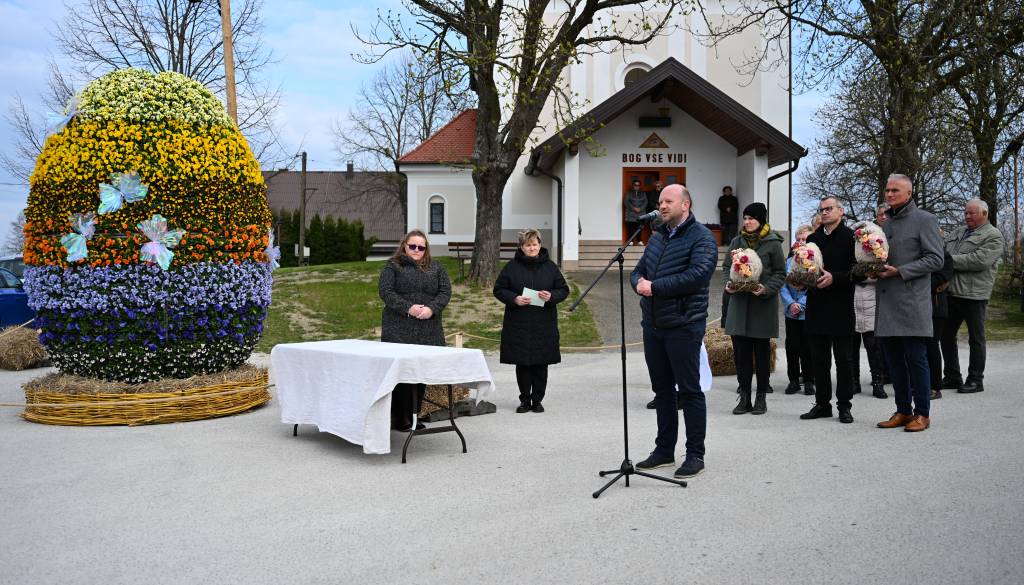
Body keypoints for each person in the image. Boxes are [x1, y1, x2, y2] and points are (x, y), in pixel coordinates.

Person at [630, 184, 718, 479]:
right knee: (662, 390)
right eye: (660, 201)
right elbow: (637, 270)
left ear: (686, 204)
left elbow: (696, 276)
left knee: (689, 391)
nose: (662, 205)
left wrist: (654, 287)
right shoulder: (657, 236)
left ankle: (695, 454)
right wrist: (638, 282)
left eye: (668, 201)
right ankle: (664, 450)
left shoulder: (702, 238)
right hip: (653, 326)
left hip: (683, 325)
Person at [875, 174, 944, 432]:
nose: (889, 194)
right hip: (887, 301)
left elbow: (936, 259)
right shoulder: (886, 222)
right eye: (887, 190)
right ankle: (903, 410)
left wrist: (900, 271)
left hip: (911, 301)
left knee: (916, 359)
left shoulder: (924, 220)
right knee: (893, 362)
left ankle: (922, 413)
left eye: (895, 190)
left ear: (909, 193)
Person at [378, 230, 452, 432]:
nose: (417, 250)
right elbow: (386, 292)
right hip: (399, 328)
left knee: (420, 373)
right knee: (401, 375)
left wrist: (432, 309)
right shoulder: (392, 266)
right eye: (413, 246)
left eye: (421, 247)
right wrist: (408, 308)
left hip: (428, 328)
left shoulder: (436, 267)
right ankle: (398, 417)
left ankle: (413, 415)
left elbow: (445, 292)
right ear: (404, 246)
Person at [493, 229, 570, 413]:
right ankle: (524, 400)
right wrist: (514, 299)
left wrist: (551, 296)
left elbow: (563, 289)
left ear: (539, 245)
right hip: (519, 323)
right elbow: (499, 289)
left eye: (534, 244)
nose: (532, 248)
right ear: (521, 247)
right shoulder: (511, 267)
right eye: (528, 245)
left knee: (540, 363)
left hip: (543, 323)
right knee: (523, 363)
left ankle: (537, 400)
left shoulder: (550, 267)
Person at [800, 197, 858, 424]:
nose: (824, 213)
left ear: (841, 211)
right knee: (819, 361)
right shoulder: (813, 239)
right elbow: (804, 266)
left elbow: (859, 272)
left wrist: (836, 278)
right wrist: (801, 278)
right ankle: (822, 404)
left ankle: (844, 405)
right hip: (817, 307)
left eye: (829, 209)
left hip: (841, 307)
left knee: (843, 360)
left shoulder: (851, 238)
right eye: (821, 210)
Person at [724, 202, 786, 415]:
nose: (747, 222)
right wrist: (728, 283)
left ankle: (761, 398)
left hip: (762, 305)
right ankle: (744, 398)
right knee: (741, 355)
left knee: (761, 355)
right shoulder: (736, 241)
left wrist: (766, 288)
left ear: (761, 220)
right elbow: (726, 267)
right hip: (740, 305)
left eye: (752, 218)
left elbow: (780, 272)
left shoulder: (773, 243)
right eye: (745, 218)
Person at [940, 199, 1004, 394]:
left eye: (971, 213)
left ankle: (976, 379)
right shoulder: (958, 232)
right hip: (952, 292)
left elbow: (979, 260)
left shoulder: (993, 236)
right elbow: (942, 250)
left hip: (974, 295)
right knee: (945, 335)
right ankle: (952, 376)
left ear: (984, 214)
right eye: (966, 213)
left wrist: (948, 261)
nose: (967, 216)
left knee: (976, 338)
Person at [781, 225, 815, 396]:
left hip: (807, 312)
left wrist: (800, 304)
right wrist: (790, 303)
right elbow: (783, 284)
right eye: (799, 239)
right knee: (792, 346)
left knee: (808, 347)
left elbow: (813, 286)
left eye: (805, 239)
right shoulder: (789, 261)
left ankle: (809, 380)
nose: (802, 242)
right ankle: (793, 380)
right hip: (791, 313)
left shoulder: (815, 261)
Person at [927, 250, 954, 399]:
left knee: (931, 345)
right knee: (917, 347)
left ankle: (934, 387)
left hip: (936, 307)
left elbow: (943, 276)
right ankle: (919, 383)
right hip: (918, 305)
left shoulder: (943, 254)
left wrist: (917, 282)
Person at [623, 179, 648, 245]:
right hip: (631, 213)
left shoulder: (643, 193)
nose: (637, 186)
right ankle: (631, 241)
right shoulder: (629, 193)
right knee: (631, 228)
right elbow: (626, 201)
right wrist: (634, 208)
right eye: (635, 185)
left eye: (638, 185)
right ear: (633, 186)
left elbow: (645, 202)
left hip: (640, 213)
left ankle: (639, 241)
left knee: (639, 228)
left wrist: (640, 208)